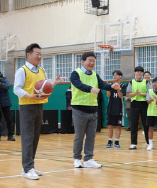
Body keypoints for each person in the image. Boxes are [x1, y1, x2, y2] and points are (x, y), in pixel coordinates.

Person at [13, 43, 64, 180]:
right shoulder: (22, 71)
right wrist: (30, 96)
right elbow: (16, 89)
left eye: (41, 54)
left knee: (35, 138)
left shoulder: (41, 70)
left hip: (39, 105)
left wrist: (54, 83)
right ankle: (27, 168)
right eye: (37, 54)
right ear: (28, 55)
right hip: (27, 107)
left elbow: (44, 89)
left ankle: (30, 166)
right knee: (28, 138)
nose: (40, 56)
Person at [70, 51, 120, 168]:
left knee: (91, 136)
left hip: (93, 110)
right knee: (79, 136)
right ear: (83, 61)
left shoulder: (95, 75)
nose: (92, 63)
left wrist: (112, 86)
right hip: (79, 109)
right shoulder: (75, 73)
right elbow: (79, 85)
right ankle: (77, 158)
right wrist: (90, 89)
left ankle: (88, 159)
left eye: (93, 61)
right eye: (89, 60)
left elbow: (102, 85)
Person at [126, 66, 151, 150]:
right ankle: (133, 143)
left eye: (140, 72)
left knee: (146, 124)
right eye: (137, 72)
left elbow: (149, 93)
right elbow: (128, 94)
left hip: (144, 104)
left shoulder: (146, 82)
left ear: (142, 74)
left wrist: (141, 94)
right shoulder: (131, 82)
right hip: (134, 104)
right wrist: (135, 93)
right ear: (135, 73)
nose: (139, 73)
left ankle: (149, 143)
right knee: (133, 124)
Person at [106, 70, 127, 148]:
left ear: (120, 76)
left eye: (116, 75)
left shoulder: (123, 86)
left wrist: (118, 88)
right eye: (113, 75)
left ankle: (117, 141)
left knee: (118, 126)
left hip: (119, 108)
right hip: (111, 108)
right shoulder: (111, 85)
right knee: (110, 126)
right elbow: (108, 95)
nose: (114, 77)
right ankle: (110, 140)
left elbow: (121, 96)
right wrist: (108, 87)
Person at [0, 72, 15, 141]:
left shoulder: (4, 80)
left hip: (5, 103)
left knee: (9, 120)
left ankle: (10, 136)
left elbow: (8, 86)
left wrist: (0, 84)